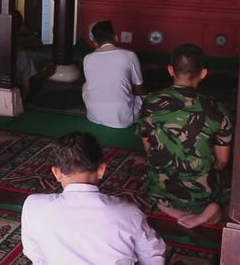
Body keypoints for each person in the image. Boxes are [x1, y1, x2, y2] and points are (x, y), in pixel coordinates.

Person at [21, 132, 165, 264]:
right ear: (101, 170)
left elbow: (35, 254)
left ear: (56, 173)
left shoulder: (33, 206)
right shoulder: (127, 212)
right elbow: (153, 255)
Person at [138, 43, 233, 229]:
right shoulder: (217, 110)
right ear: (204, 73)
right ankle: (209, 213)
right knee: (229, 189)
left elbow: (150, 150)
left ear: (170, 70)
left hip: (161, 185)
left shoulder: (150, 102)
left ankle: (174, 210)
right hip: (201, 191)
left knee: (157, 196)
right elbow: (222, 161)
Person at [82, 21, 146, 128]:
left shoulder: (87, 58)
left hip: (94, 116)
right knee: (143, 98)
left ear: (95, 43)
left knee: (85, 85)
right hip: (124, 119)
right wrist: (146, 99)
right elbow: (139, 87)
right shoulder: (129, 55)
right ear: (116, 37)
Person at [0, 11, 52, 98]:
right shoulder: (22, 54)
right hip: (9, 99)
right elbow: (27, 90)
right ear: (20, 28)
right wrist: (45, 75)